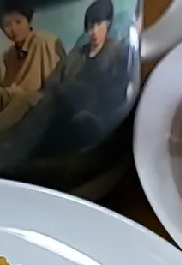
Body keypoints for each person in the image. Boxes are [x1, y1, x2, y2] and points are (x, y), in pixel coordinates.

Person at [0, 1, 67, 153]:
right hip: (12, 96)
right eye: (7, 25)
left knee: (26, 99)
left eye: (18, 22)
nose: (13, 29)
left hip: (38, 100)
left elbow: (57, 80)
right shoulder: (8, 55)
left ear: (29, 21)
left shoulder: (45, 41)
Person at [39, 0, 135, 155]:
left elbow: (117, 88)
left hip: (96, 119)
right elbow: (53, 80)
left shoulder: (117, 52)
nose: (94, 31)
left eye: (99, 24)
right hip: (63, 109)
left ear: (108, 24)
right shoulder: (76, 54)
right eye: (90, 26)